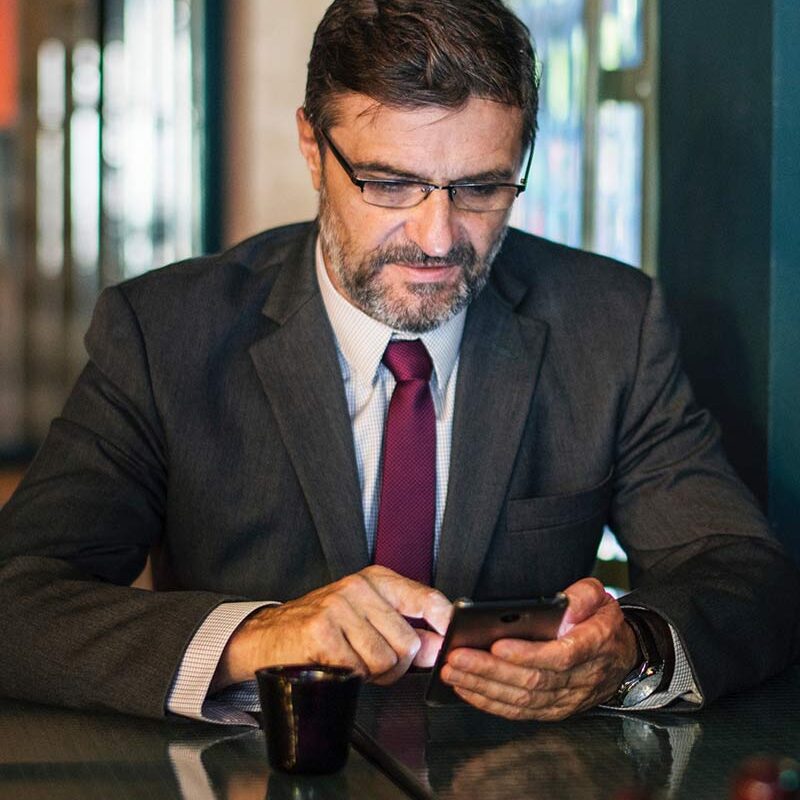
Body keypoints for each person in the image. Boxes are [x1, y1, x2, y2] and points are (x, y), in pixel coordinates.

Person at [0, 0, 798, 727]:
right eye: (390, 184)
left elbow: (743, 578)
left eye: (482, 188)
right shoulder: (165, 333)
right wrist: (256, 635)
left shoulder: (610, 324)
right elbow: (17, 600)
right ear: (314, 147)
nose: (438, 237)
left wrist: (631, 651)